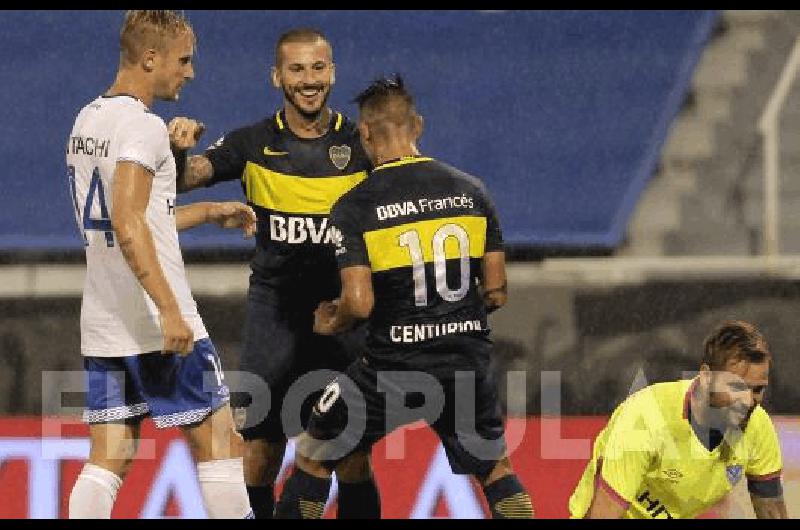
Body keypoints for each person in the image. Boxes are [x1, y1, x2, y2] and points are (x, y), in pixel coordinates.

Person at [273, 75, 535, 519]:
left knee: (317, 451)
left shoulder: (357, 206)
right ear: (418, 125)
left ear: (365, 134)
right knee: (494, 467)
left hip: (392, 369)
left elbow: (359, 304)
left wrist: (332, 320)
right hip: (464, 361)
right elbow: (496, 290)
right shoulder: (472, 191)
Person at [168, 28, 378, 518]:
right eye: (298, 69)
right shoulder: (252, 142)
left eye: (318, 68)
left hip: (344, 313)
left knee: (350, 454)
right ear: (277, 76)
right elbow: (183, 179)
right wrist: (177, 148)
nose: (309, 81)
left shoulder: (361, 143)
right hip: (275, 318)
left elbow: (405, 195)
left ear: (333, 72)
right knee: (259, 455)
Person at [65, 10, 256, 519]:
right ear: (150, 58)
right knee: (221, 447)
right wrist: (170, 310)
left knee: (108, 460)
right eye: (184, 59)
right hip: (157, 320)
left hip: (106, 320)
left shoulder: (87, 120)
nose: (190, 72)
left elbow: (123, 220)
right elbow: (129, 225)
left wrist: (209, 211)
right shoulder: (142, 128)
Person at [569, 320, 787, 519]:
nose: (748, 402)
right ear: (706, 377)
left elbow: (771, 511)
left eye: (757, 389)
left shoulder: (757, 426)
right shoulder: (644, 419)